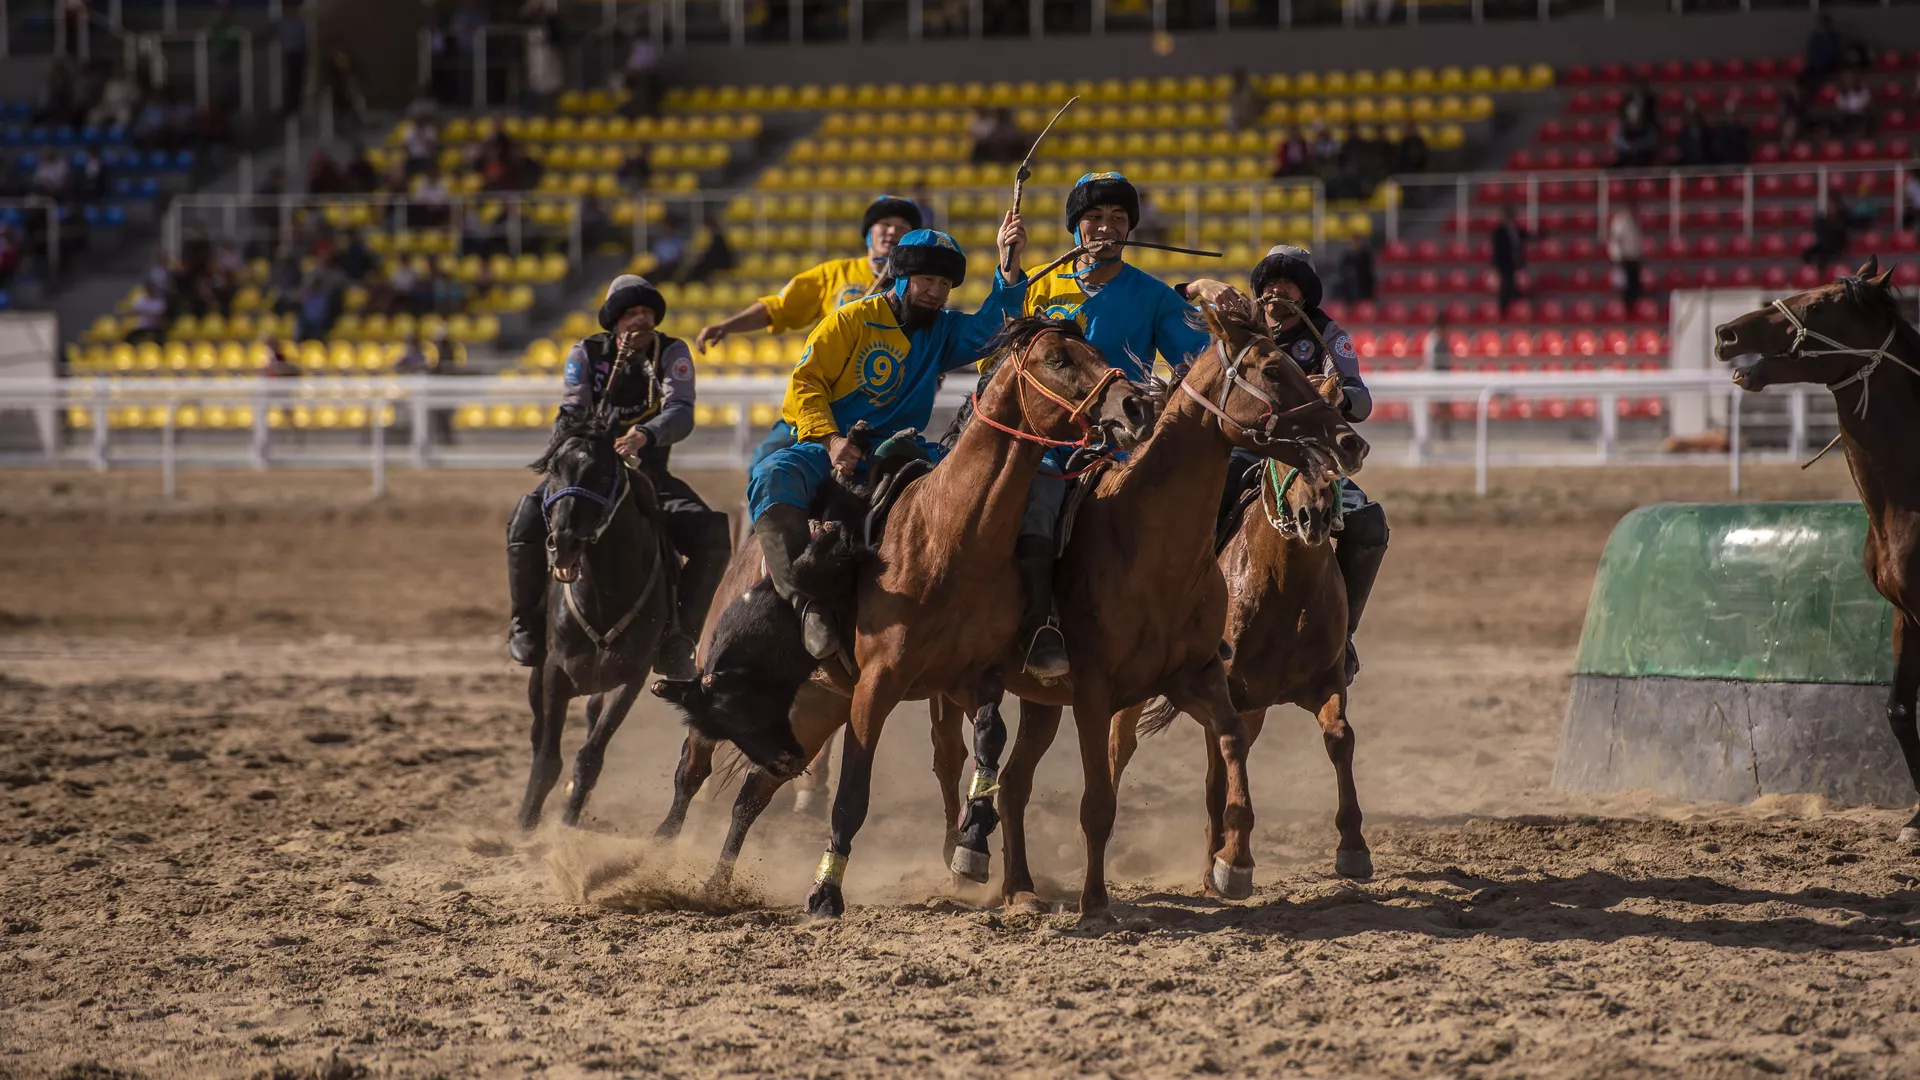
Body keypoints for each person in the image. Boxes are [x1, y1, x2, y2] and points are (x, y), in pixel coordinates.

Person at [747, 228, 1023, 660]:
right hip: (828, 447)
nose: (936, 293)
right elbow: (805, 384)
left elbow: (990, 332)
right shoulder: (849, 320)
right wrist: (831, 438)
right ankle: (805, 606)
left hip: (902, 452)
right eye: (927, 281)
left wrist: (1008, 269)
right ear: (902, 277)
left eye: (945, 285)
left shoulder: (944, 331)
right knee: (771, 474)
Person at [998, 172, 1211, 679]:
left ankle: (1195, 621)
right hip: (1046, 445)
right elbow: (998, 345)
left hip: (1121, 445)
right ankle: (1038, 627)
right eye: (1093, 217)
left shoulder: (1154, 296)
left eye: (1118, 219)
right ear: (1075, 227)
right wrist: (1008, 272)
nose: (1105, 227)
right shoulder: (1037, 286)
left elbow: (1197, 362)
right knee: (1038, 505)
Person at [505, 275, 732, 678]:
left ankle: (678, 637)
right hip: (585, 472)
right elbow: (572, 412)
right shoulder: (586, 353)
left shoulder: (671, 351)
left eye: (647, 312)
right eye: (631, 313)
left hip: (651, 473)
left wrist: (646, 435)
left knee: (712, 535)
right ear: (615, 321)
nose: (641, 320)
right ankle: (526, 624)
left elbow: (681, 410)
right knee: (524, 520)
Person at [1206, 246, 1383, 683]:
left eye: (1288, 283)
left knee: (1370, 526)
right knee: (1200, 513)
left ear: (1304, 294)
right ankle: (1191, 619)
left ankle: (1341, 635)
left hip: (1311, 455)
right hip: (1248, 450)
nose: (1276, 290)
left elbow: (1361, 399)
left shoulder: (1326, 335)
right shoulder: (1242, 329)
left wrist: (1341, 396)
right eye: (1269, 283)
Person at [695, 195, 923, 466]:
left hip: (883, 409)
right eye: (883, 224)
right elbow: (778, 308)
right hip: (822, 402)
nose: (892, 231)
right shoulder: (834, 274)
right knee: (765, 459)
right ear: (868, 233)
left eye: (902, 227)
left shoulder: (918, 287)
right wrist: (728, 325)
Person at [1607, 203, 1645, 310]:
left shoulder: (1635, 220)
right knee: (1625, 285)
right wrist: (1617, 256)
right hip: (1624, 258)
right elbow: (1615, 239)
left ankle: (1634, 305)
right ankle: (1626, 307)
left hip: (1634, 257)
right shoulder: (1620, 220)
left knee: (1635, 284)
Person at [1491, 208, 1525, 318]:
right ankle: (1503, 312)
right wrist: (1496, 266)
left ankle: (1515, 309)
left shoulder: (1516, 230)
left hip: (1515, 264)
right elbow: (1497, 250)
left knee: (1513, 285)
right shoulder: (1499, 232)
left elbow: (1524, 238)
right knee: (1505, 287)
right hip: (1504, 264)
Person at [277, 1, 309, 116]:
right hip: (288, 55)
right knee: (288, 81)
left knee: (296, 81)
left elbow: (304, 41)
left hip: (298, 55)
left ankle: (296, 106)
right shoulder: (282, 23)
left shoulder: (299, 23)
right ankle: (289, 107)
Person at [1803, 201, 1851, 267]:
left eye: (1832, 208)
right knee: (1811, 249)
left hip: (1836, 245)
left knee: (1825, 247)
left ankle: (1821, 268)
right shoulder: (1822, 221)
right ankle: (1808, 266)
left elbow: (1841, 236)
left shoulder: (1839, 221)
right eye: (1829, 208)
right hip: (1824, 243)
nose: (1830, 210)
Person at [1708, 97, 1751, 166]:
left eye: (1732, 106)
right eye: (1728, 106)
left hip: (1739, 162)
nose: (1730, 109)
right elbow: (1717, 147)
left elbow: (1745, 147)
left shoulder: (1742, 128)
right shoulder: (1719, 128)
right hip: (1723, 163)